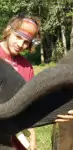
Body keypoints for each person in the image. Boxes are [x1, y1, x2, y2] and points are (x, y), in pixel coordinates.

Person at [0, 14, 40, 150]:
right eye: (18, 37)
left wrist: (32, 137)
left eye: (26, 42)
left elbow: (28, 104)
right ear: (8, 31)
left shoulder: (26, 67)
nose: (20, 45)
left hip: (17, 134)